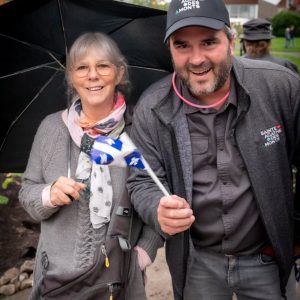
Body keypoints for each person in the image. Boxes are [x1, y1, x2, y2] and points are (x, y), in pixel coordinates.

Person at [127, 0, 300, 299]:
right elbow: (141, 179)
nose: (196, 59)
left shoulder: (279, 87)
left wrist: (295, 230)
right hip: (197, 263)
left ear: (231, 42)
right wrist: (157, 208)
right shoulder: (151, 107)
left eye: (208, 42)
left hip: (267, 259)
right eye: (182, 45)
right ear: (170, 49)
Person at [19, 32, 163, 300]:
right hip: (55, 282)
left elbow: (157, 195)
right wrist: (48, 194)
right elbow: (26, 191)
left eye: (103, 66)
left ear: (120, 73)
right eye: (82, 67)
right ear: (71, 77)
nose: (92, 75)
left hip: (118, 282)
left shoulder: (139, 131)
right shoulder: (51, 128)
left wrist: (143, 254)